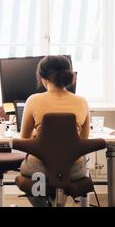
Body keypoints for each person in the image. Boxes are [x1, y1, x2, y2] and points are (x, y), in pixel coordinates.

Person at [20, 55, 90, 207]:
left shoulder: (33, 100)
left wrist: (38, 136)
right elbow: (84, 141)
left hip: (39, 170)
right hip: (73, 170)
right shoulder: (82, 102)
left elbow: (24, 140)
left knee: (33, 174)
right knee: (67, 172)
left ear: (42, 77)